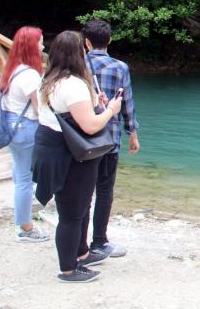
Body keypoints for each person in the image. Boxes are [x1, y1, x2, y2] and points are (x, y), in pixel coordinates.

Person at [32, 30, 123, 283]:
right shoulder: (73, 85)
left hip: (52, 148)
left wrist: (96, 104)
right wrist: (111, 110)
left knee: (78, 207)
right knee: (72, 214)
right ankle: (69, 269)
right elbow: (91, 126)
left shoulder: (47, 79)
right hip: (71, 155)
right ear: (80, 52)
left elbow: (63, 113)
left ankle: (81, 253)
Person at [82, 19, 139, 259]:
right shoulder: (120, 67)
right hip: (109, 139)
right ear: (110, 40)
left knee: (83, 191)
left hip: (81, 139)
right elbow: (126, 103)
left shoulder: (77, 65)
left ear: (85, 42)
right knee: (105, 191)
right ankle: (99, 242)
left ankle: (79, 245)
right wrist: (133, 133)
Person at [0, 26, 49, 242]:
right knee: (25, 179)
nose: (43, 46)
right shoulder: (29, 75)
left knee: (21, 174)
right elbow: (40, 110)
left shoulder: (13, 69)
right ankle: (25, 228)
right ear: (31, 46)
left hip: (11, 125)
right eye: (40, 42)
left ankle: (24, 220)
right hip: (25, 128)